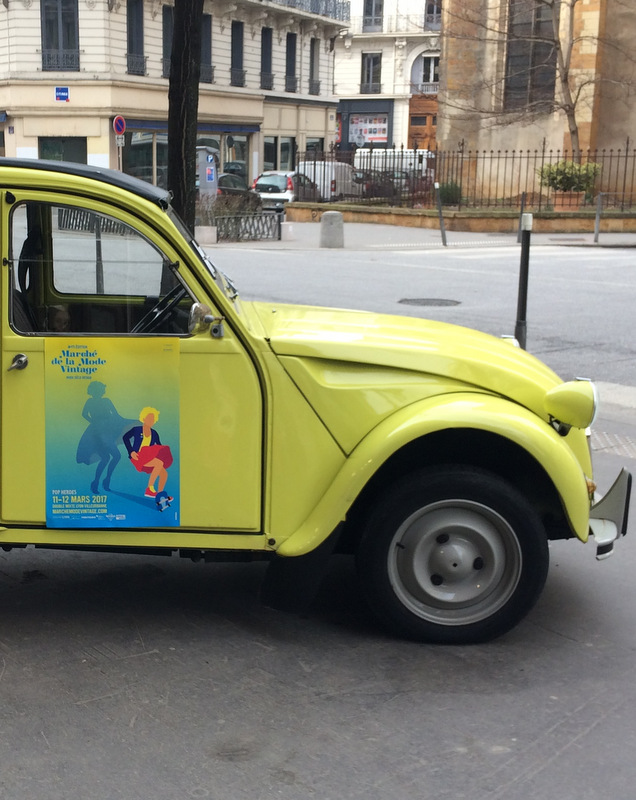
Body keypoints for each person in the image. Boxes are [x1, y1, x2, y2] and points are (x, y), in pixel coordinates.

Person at [76, 381, 128, 493]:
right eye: (100, 389)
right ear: (96, 390)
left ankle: (98, 482)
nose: (101, 391)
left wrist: (95, 422)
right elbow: (84, 414)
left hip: (102, 431)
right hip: (99, 433)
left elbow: (116, 415)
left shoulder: (104, 401)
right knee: (114, 456)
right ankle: (104, 480)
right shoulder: (95, 401)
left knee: (106, 458)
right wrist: (96, 423)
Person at [122, 407, 173, 499]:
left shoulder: (154, 433)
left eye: (153, 419)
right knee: (158, 463)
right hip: (137, 456)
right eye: (149, 418)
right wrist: (131, 451)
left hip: (148, 456)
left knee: (164, 474)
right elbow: (125, 438)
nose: (151, 420)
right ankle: (149, 489)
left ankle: (160, 494)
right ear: (144, 418)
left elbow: (159, 446)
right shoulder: (136, 430)